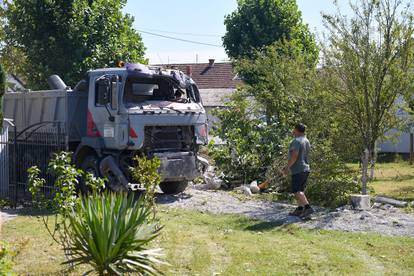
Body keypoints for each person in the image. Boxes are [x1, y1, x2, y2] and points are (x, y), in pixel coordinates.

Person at [283, 123, 313, 217]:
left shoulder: (296, 141)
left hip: (298, 169)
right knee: (299, 190)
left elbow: (294, 156)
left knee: (297, 191)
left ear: (296, 130)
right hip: (306, 168)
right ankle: (300, 209)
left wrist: (287, 167)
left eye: (294, 129)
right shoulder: (306, 140)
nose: (293, 131)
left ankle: (308, 208)